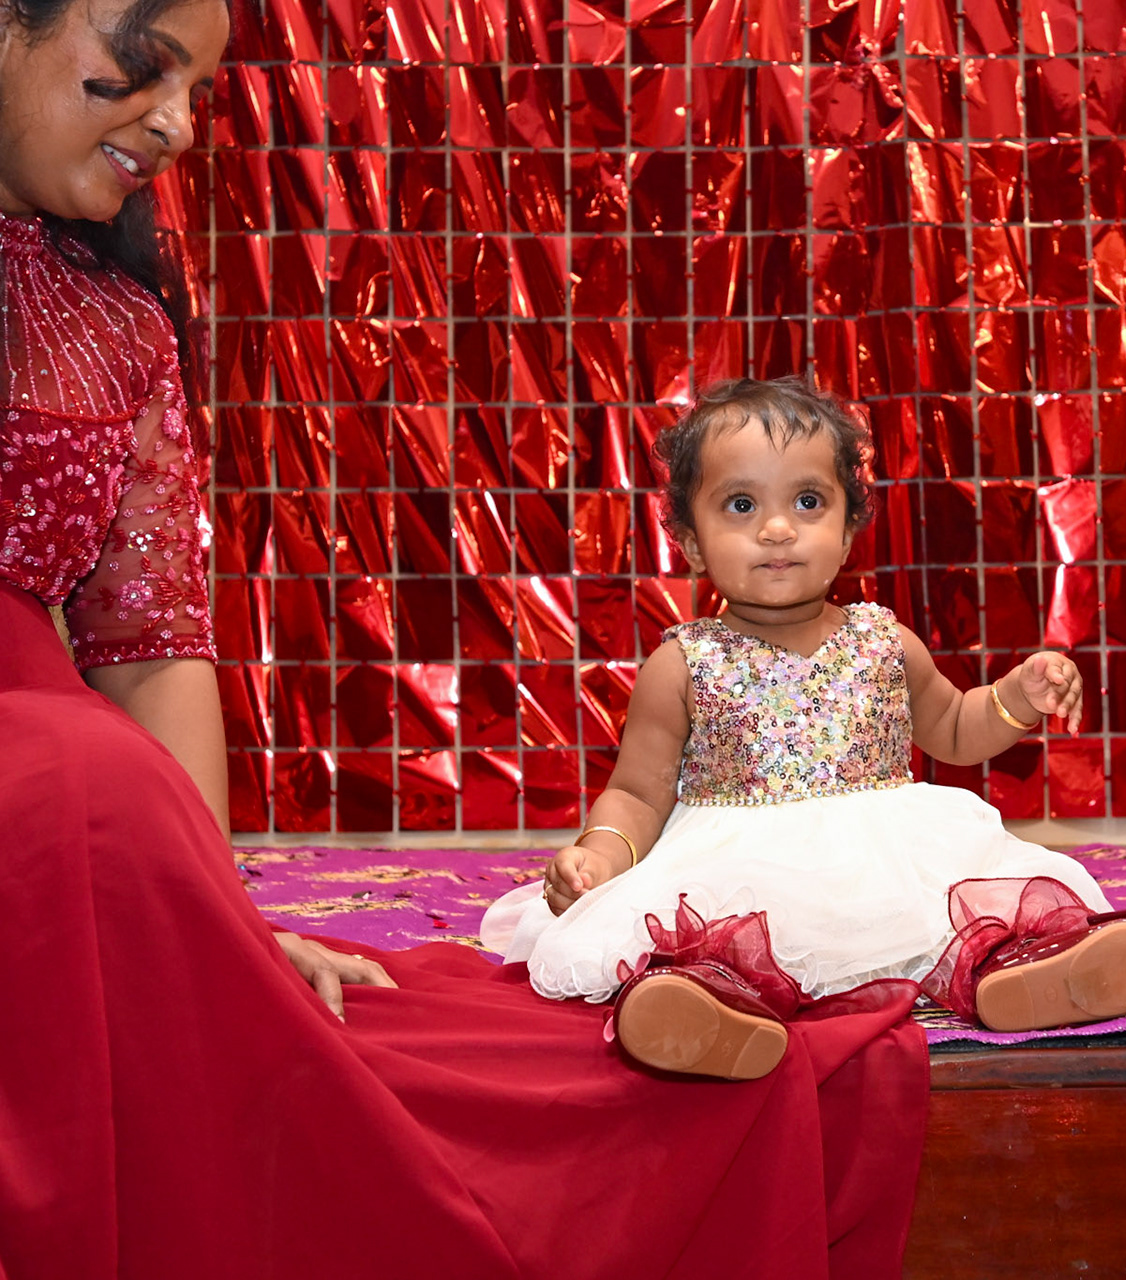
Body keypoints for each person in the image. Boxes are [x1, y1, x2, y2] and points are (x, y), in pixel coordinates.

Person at [1, 1, 926, 1276]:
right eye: (144, 68)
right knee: (81, 781)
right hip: (44, 786)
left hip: (70, 792)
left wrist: (209, 917)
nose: (177, 123)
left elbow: (150, 639)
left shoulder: (118, 321)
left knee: (476, 1063)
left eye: (198, 92)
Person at [481, 376, 1126, 1080]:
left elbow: (956, 729)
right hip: (743, 875)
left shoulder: (884, 641)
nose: (778, 529)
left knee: (975, 907)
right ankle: (707, 1012)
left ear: (846, 532)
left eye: (807, 502)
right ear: (691, 542)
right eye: (742, 505)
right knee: (710, 946)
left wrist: (1016, 696)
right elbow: (636, 795)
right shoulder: (682, 664)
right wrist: (600, 858)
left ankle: (1023, 973)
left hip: (891, 866)